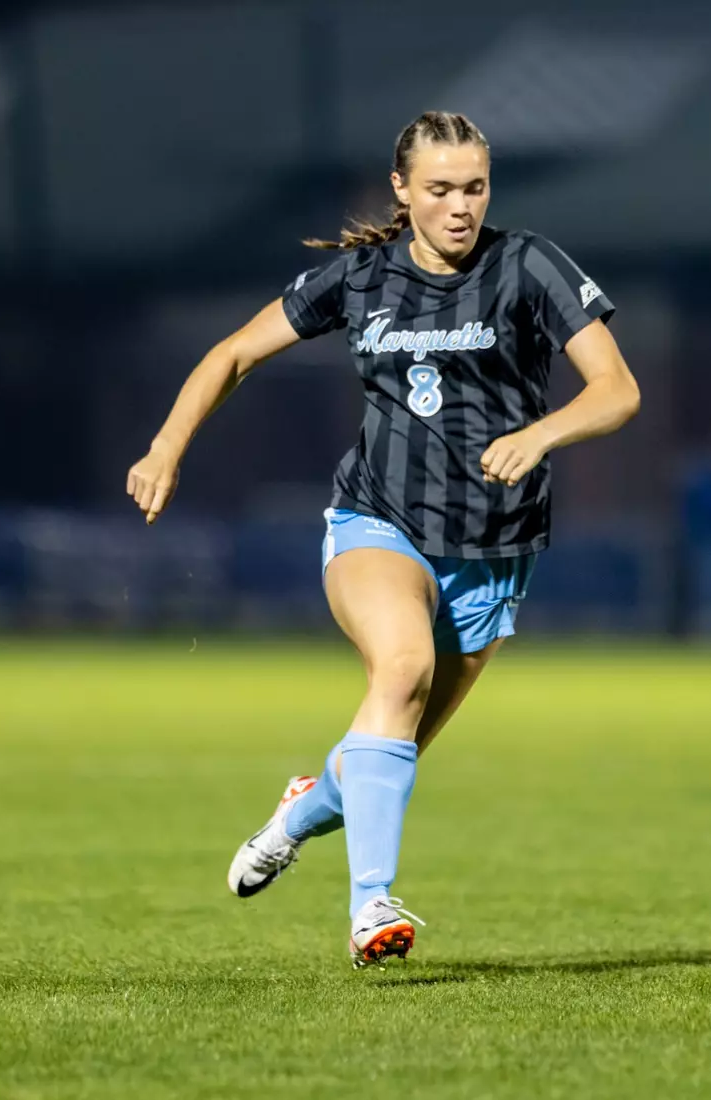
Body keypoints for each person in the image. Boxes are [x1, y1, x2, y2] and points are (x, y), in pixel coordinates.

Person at [125, 111, 640, 965]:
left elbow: (617, 391)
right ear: (401, 190)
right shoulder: (360, 279)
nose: (460, 206)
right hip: (377, 521)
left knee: (388, 740)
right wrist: (166, 445)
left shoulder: (529, 264)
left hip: (495, 552)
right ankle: (373, 909)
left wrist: (540, 434)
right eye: (439, 189)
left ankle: (299, 810)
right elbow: (232, 355)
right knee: (400, 672)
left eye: (474, 187)